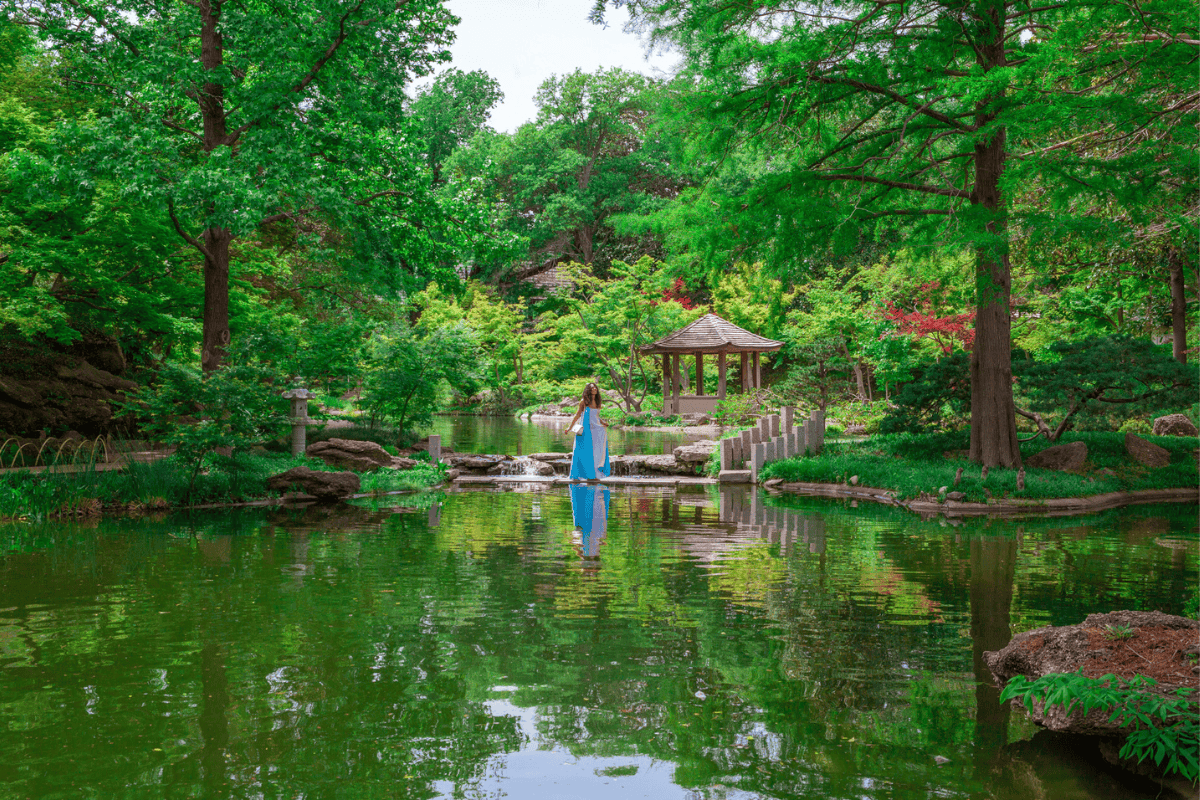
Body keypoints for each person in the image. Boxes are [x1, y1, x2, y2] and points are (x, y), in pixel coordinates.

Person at [567, 382, 610, 481]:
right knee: (583, 452)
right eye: (592, 387)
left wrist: (603, 422)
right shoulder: (584, 401)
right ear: (588, 390)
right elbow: (577, 415)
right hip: (585, 431)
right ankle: (580, 476)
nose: (594, 388)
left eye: (595, 387)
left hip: (595, 430)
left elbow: (596, 416)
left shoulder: (598, 401)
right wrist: (569, 428)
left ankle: (592, 475)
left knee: (595, 452)